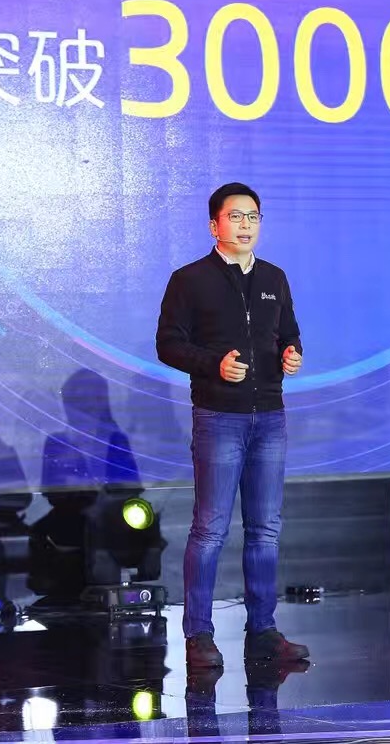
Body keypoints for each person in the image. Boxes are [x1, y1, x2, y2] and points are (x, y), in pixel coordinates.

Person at [156, 182, 307, 669]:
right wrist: (213, 364)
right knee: (209, 529)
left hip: (270, 418)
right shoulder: (189, 279)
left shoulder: (274, 277)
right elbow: (168, 344)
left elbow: (289, 334)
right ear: (214, 225)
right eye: (236, 217)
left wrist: (292, 354)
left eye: (253, 217)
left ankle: (262, 630)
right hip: (219, 417)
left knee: (265, 529)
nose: (246, 225)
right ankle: (198, 635)